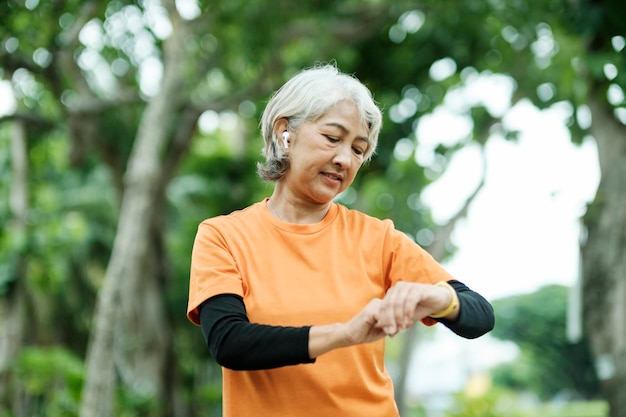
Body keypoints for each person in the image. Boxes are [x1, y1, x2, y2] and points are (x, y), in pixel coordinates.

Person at [187, 63, 494, 417]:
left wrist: (438, 296)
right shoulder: (223, 236)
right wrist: (345, 334)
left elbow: (479, 316)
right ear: (285, 132)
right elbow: (230, 343)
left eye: (359, 149)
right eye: (333, 138)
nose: (344, 159)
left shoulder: (378, 239)